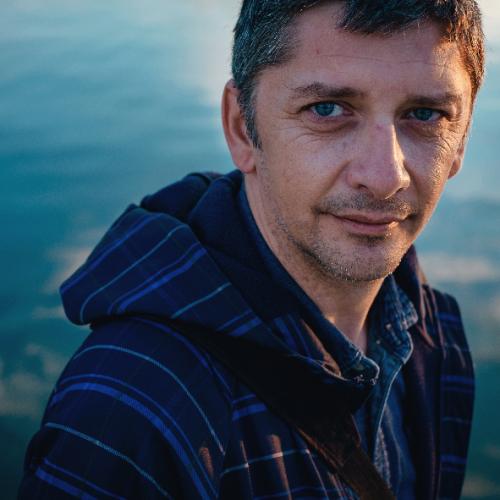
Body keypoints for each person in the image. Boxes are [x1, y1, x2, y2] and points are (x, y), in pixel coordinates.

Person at [19, 0, 484, 498]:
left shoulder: (436, 330)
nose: (385, 177)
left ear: (460, 141)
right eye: (327, 109)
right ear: (242, 127)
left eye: (425, 114)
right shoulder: (133, 407)